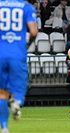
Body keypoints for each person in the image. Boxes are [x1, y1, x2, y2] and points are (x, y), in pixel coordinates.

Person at [0, 1, 38, 133]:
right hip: (17, 54)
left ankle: (4, 128)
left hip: (0, 54)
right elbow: (33, 32)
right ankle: (16, 101)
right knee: (18, 89)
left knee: (2, 92)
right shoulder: (26, 7)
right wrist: (27, 45)